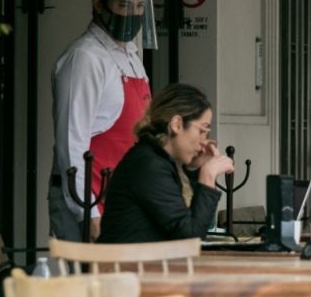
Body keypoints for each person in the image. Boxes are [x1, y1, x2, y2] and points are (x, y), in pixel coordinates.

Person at [49, 0, 158, 241]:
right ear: (99, 3)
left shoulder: (132, 59)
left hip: (125, 201)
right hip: (91, 201)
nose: (133, 13)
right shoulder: (85, 59)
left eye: (139, 5)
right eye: (124, 4)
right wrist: (89, 213)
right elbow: (71, 143)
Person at [97, 83, 234, 243]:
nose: (204, 142)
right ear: (177, 124)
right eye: (202, 131)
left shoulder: (154, 159)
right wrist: (208, 176)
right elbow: (189, 237)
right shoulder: (149, 165)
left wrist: (194, 170)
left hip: (139, 264)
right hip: (123, 266)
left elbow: (186, 224)